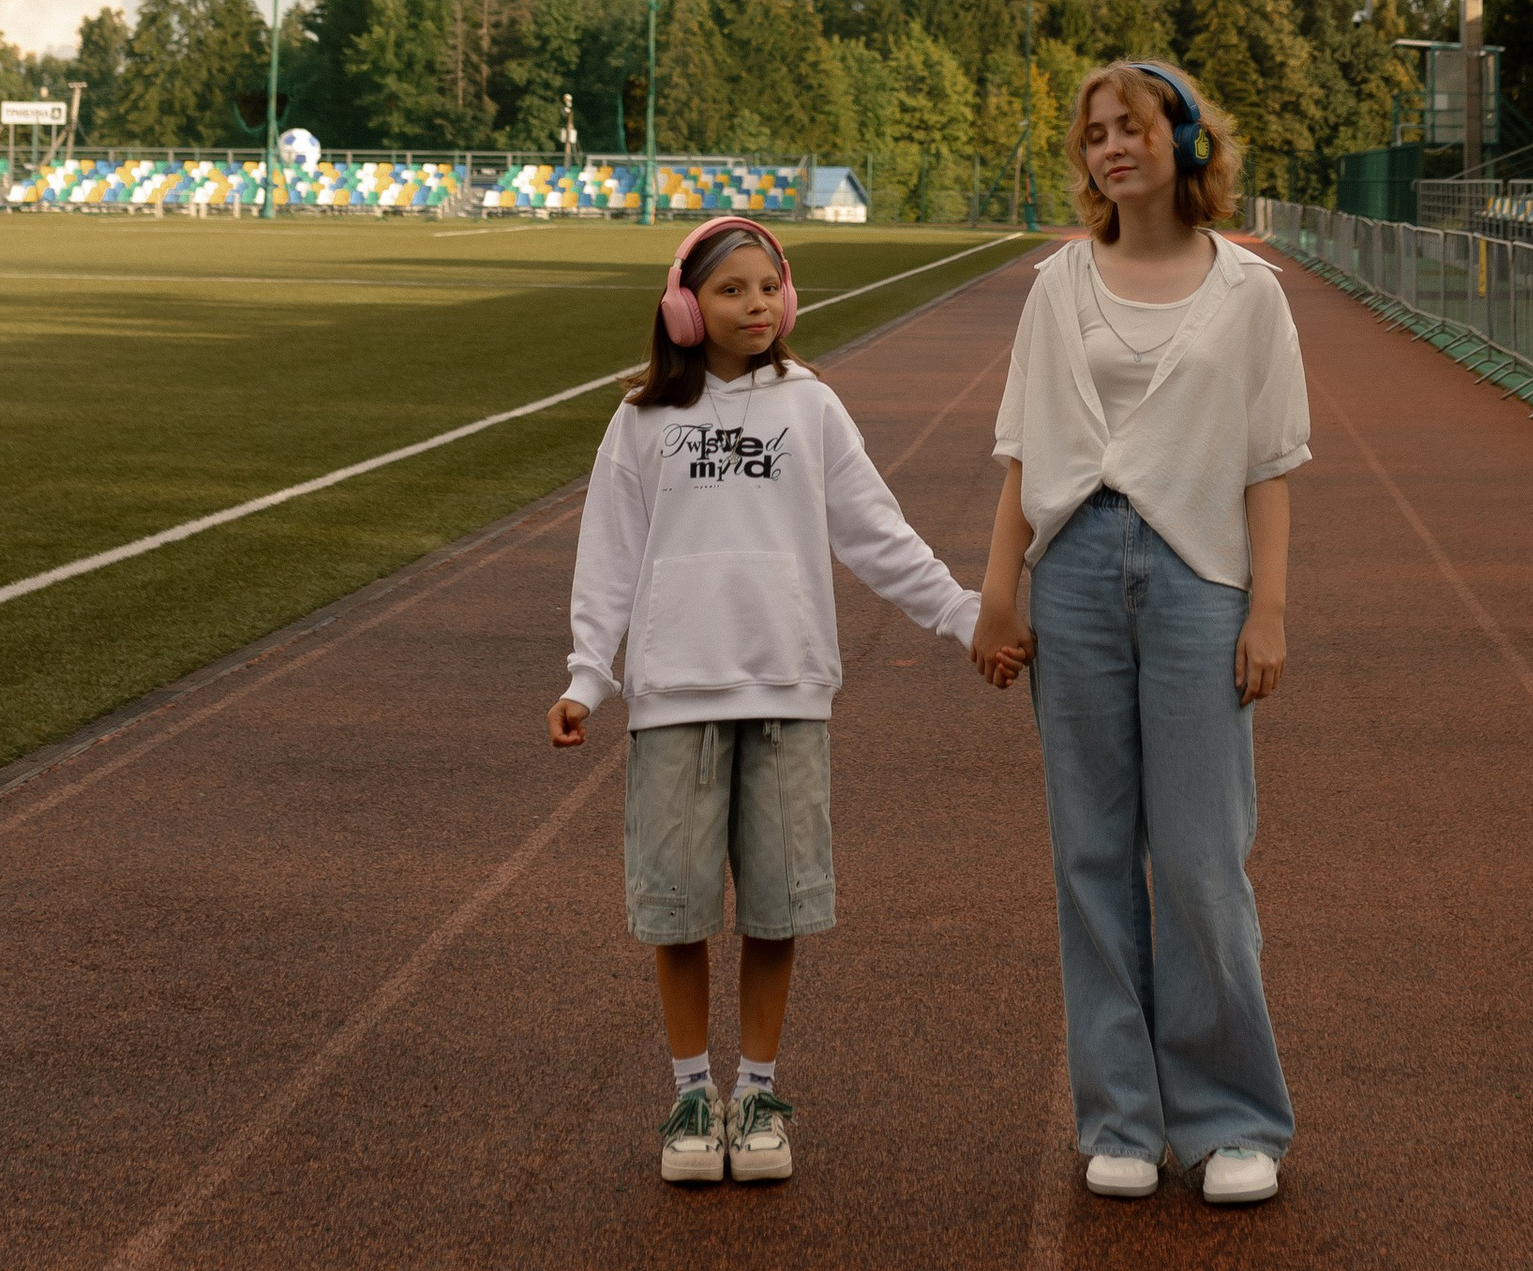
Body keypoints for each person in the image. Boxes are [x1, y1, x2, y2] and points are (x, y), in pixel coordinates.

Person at [550, 217, 980, 1186]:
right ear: (683, 307)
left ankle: (755, 1092)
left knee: (777, 908)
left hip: (788, 689)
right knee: (676, 909)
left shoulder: (810, 406)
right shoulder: (641, 418)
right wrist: (587, 675)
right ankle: (689, 1095)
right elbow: (608, 554)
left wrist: (960, 615)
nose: (754, 305)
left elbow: (874, 531)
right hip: (673, 694)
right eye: (729, 289)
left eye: (767, 287)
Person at [972, 60, 1308, 1206]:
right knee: (1092, 855)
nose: (1111, 146)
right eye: (1095, 133)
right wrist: (997, 590)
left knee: (1204, 861)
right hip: (1070, 575)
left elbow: (1268, 463)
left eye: (1133, 127)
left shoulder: (1249, 294)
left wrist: (1267, 608)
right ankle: (1120, 1114)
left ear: (1186, 139)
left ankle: (1231, 1121)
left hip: (1197, 579)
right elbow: (1022, 449)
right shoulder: (1056, 287)